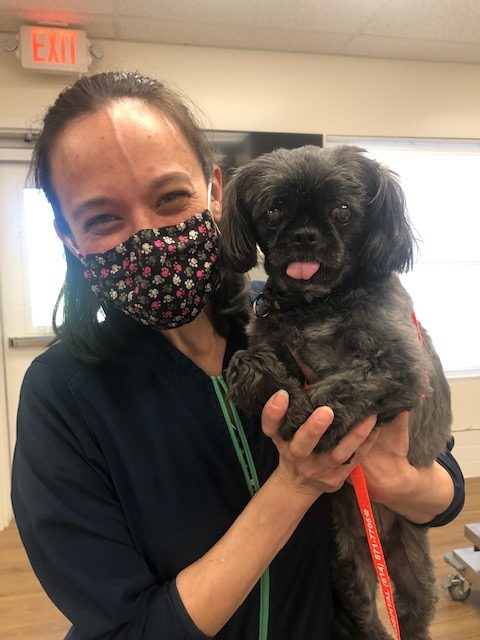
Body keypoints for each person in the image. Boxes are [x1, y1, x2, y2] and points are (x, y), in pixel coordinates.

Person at [11, 71, 464, 640]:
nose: (148, 236)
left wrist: (400, 483)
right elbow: (125, 629)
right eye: (103, 218)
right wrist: (295, 485)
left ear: (216, 193)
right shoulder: (63, 397)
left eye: (171, 198)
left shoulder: (291, 318)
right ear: (67, 236)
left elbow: (440, 478)